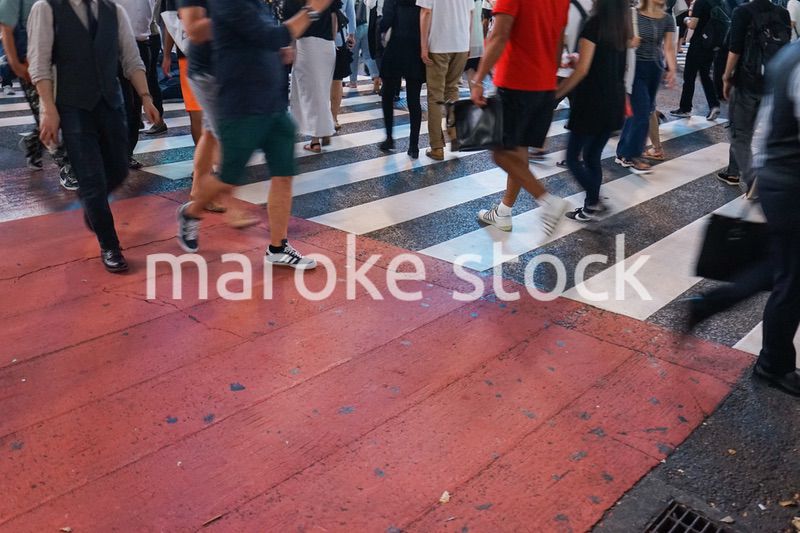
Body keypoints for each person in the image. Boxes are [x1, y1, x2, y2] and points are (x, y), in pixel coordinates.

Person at [178, 0, 331, 269]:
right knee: (228, 178)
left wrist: (275, 52)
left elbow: (266, 38)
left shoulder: (259, 4)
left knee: (283, 174)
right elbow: (273, 35)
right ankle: (190, 212)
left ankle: (278, 247)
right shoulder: (228, 5)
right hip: (242, 104)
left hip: (272, 100)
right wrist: (312, 9)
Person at [28, 0, 161, 272]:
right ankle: (109, 244)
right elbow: (39, 63)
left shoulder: (115, 11)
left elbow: (131, 58)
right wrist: (48, 110)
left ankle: (93, 206)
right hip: (72, 105)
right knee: (91, 178)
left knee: (119, 169)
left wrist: (146, 97)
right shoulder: (46, 8)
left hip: (111, 103)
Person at [470, 0, 571, 236]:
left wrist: (478, 80)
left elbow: (499, 35)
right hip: (544, 84)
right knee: (518, 151)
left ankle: (547, 201)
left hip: (516, 82)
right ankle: (504, 212)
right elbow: (558, 40)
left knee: (499, 152)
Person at [749, 39, 800, 396]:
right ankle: (773, 365)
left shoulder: (789, 53)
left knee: (788, 273)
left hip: (777, 176)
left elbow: (764, 123)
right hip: (791, 184)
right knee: (792, 282)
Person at [557, 0, 631, 222]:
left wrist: (557, 94)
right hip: (614, 102)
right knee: (592, 156)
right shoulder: (620, 25)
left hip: (591, 102)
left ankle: (595, 202)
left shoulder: (594, 23)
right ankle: (590, 206)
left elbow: (582, 71)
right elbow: (613, 63)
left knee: (572, 158)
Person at [0, 0, 79, 190]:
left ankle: (32, 143)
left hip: (59, 59)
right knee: (45, 113)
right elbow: (6, 29)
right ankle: (66, 167)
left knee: (60, 111)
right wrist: (17, 65)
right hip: (30, 64)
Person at [721, 0, 791, 191]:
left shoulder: (742, 12)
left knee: (740, 133)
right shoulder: (782, 13)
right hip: (773, 81)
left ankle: (753, 180)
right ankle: (732, 172)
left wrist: (726, 77)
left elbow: (734, 49)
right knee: (766, 132)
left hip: (748, 80)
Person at [615, 0, 677, 174]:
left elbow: (669, 47)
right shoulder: (632, 14)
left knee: (642, 110)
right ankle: (634, 155)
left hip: (655, 69)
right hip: (636, 68)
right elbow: (617, 40)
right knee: (642, 112)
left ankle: (622, 152)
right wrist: (629, 42)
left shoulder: (667, 18)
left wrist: (671, 69)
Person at [417, 0, 474, 161]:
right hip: (461, 43)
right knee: (452, 90)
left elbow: (426, 12)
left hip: (439, 44)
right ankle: (455, 135)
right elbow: (471, 13)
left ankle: (437, 147)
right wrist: (468, 41)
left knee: (435, 96)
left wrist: (423, 46)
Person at [289, 0, 340, 153]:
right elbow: (334, 18)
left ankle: (317, 137)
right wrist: (331, 41)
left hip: (306, 43)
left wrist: (291, 47)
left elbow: (293, 25)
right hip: (327, 45)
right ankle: (321, 131)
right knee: (321, 91)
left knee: (308, 93)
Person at [378, 0, 425, 158]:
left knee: (387, 95)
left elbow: (386, 20)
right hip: (416, 49)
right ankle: (414, 146)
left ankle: (389, 138)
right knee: (414, 100)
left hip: (395, 48)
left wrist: (381, 31)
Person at [114, 0, 158, 168]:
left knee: (134, 106)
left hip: (141, 42)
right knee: (121, 103)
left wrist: (146, 97)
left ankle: (126, 153)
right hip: (113, 44)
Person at [671, 0, 723, 119]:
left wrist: (686, 20)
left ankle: (685, 108)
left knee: (689, 76)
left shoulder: (700, 2)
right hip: (711, 43)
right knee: (705, 75)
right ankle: (714, 105)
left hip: (698, 43)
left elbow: (693, 24)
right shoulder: (718, 2)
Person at [163, 0, 203, 146]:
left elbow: (171, 23)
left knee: (196, 112)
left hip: (188, 54)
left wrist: (167, 54)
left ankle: (205, 164)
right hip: (213, 53)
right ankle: (208, 162)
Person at [144, 0, 167, 135]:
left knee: (150, 80)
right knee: (149, 79)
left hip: (149, 36)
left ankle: (158, 120)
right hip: (149, 35)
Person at [331, 0, 356, 130]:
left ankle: (328, 117)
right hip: (339, 38)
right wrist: (351, 34)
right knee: (337, 80)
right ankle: (333, 118)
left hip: (320, 37)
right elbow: (350, 11)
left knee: (325, 81)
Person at [349, 0, 381, 92]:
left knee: (353, 57)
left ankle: (353, 82)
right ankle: (375, 77)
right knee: (368, 55)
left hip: (354, 28)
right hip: (366, 26)